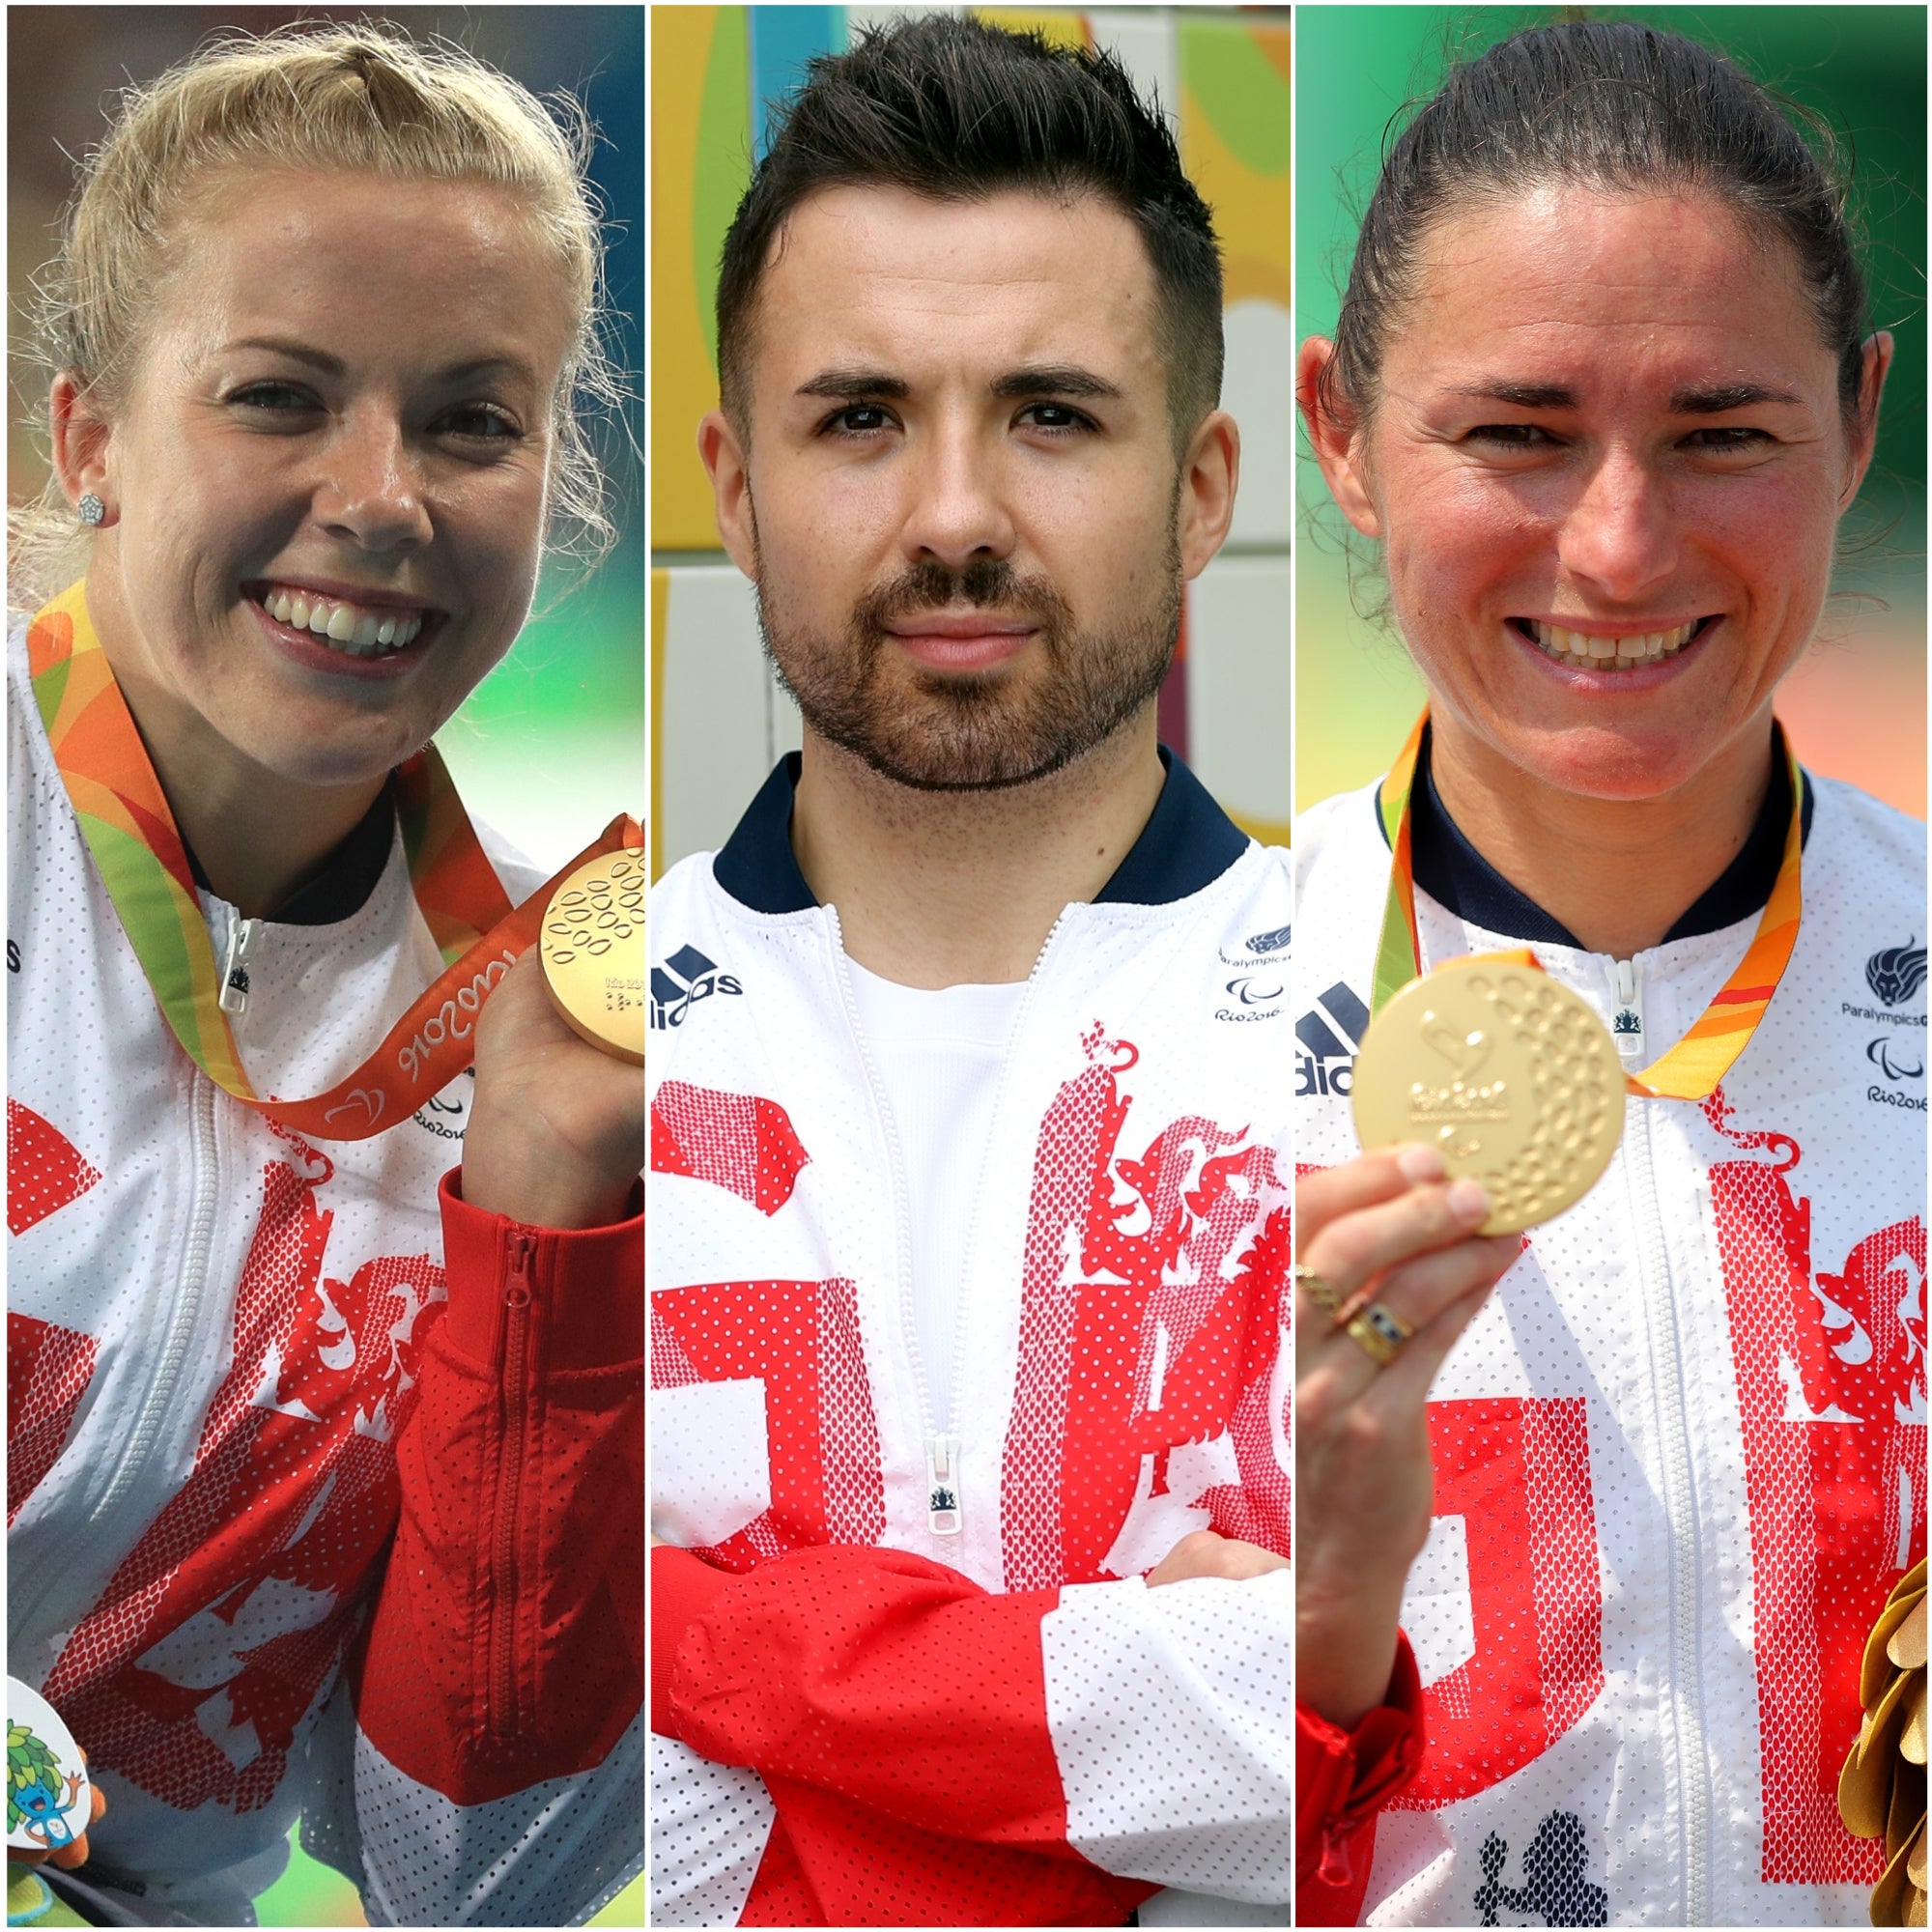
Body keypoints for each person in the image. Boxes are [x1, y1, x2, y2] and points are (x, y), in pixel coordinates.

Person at [647, 16, 1290, 1926]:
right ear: (735, 485)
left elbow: (1478, 1746)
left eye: (1050, 413)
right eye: (858, 417)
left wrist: (715, 1653)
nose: (951, 517)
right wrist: (1164, 1719)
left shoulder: (1400, 1035)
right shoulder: (542, 1059)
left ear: (1200, 488)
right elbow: (473, 1813)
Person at [6, 26, 643, 1925]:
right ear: (90, 436)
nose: (384, 495)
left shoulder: (572, 1034)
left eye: (470, 420)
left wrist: (544, 1230)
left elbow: (480, 1879)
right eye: (280, 397)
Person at [1293, 20, 1926, 1927]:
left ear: (1860, 422)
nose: (1621, 544)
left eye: (1722, 432)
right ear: (1338, 431)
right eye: (1516, 431)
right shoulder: (1133, 1038)